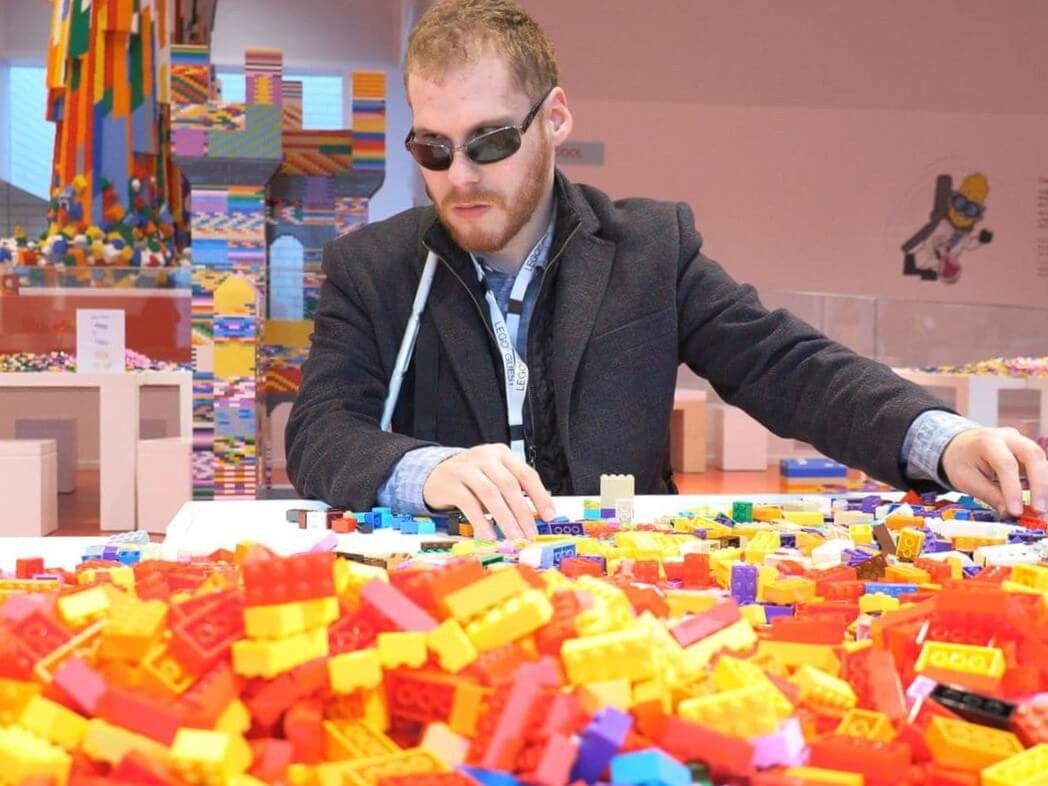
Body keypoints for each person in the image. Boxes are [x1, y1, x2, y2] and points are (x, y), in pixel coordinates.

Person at [286, 0, 1047, 540]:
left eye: (488, 143)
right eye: (432, 149)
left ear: (554, 119)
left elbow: (785, 365)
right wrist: (423, 470)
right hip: (444, 599)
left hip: (626, 597)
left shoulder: (650, 248)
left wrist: (938, 440)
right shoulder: (374, 267)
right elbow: (320, 431)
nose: (459, 177)